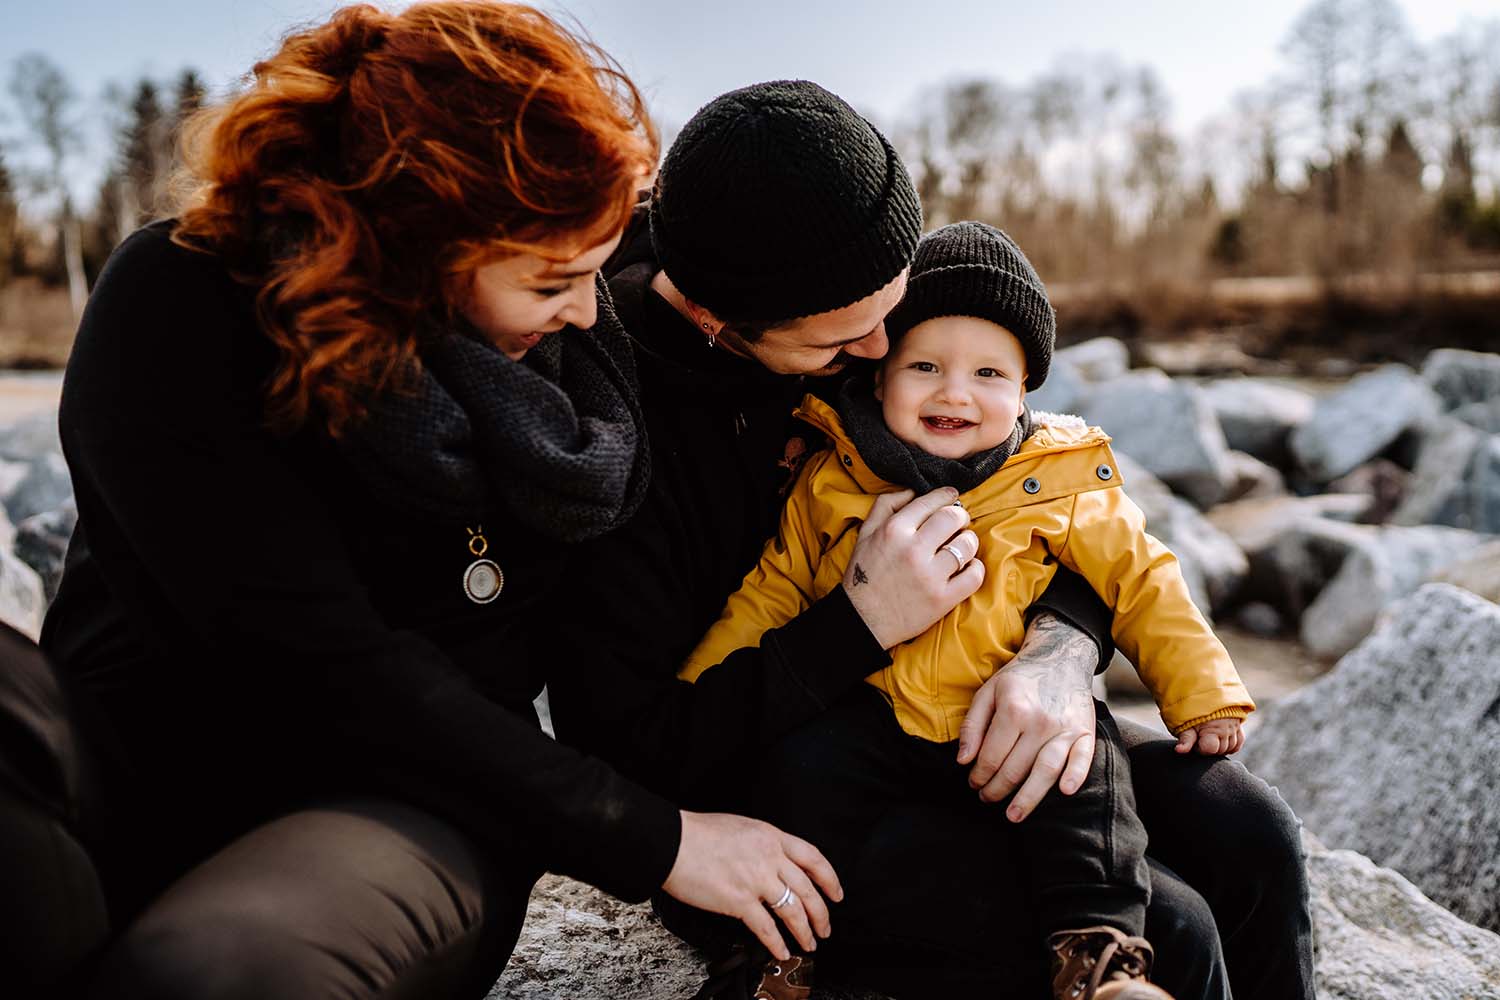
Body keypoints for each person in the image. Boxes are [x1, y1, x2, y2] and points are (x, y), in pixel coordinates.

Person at [1, 7, 843, 997]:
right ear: (419, 242)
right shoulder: (182, 298)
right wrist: (657, 840)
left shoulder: (584, 360)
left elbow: (856, 345)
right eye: (554, 282)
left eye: (593, 270)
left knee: (216, 969)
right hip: (144, 763)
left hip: (412, 809)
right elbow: (327, 666)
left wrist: (1051, 623)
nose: (587, 309)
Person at [545, 81, 1314, 1000]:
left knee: (1249, 828)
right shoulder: (611, 443)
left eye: (892, 304)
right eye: (844, 340)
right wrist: (863, 621)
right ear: (723, 323)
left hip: (958, 696)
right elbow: (637, 751)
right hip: (782, 779)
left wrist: (1060, 652)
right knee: (1174, 930)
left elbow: (1044, 508)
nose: (883, 351)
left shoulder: (829, 268)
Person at [680, 221, 1259, 1000]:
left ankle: (1101, 959)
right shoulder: (833, 478)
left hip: (1008, 722)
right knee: (802, 773)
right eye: (925, 365)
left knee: (1090, 787)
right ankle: (775, 960)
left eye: (990, 372)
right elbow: (774, 588)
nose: (956, 392)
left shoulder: (1057, 479)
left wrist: (1202, 692)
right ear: (880, 378)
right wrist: (701, 682)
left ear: (1025, 392)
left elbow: (1144, 579)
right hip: (875, 717)